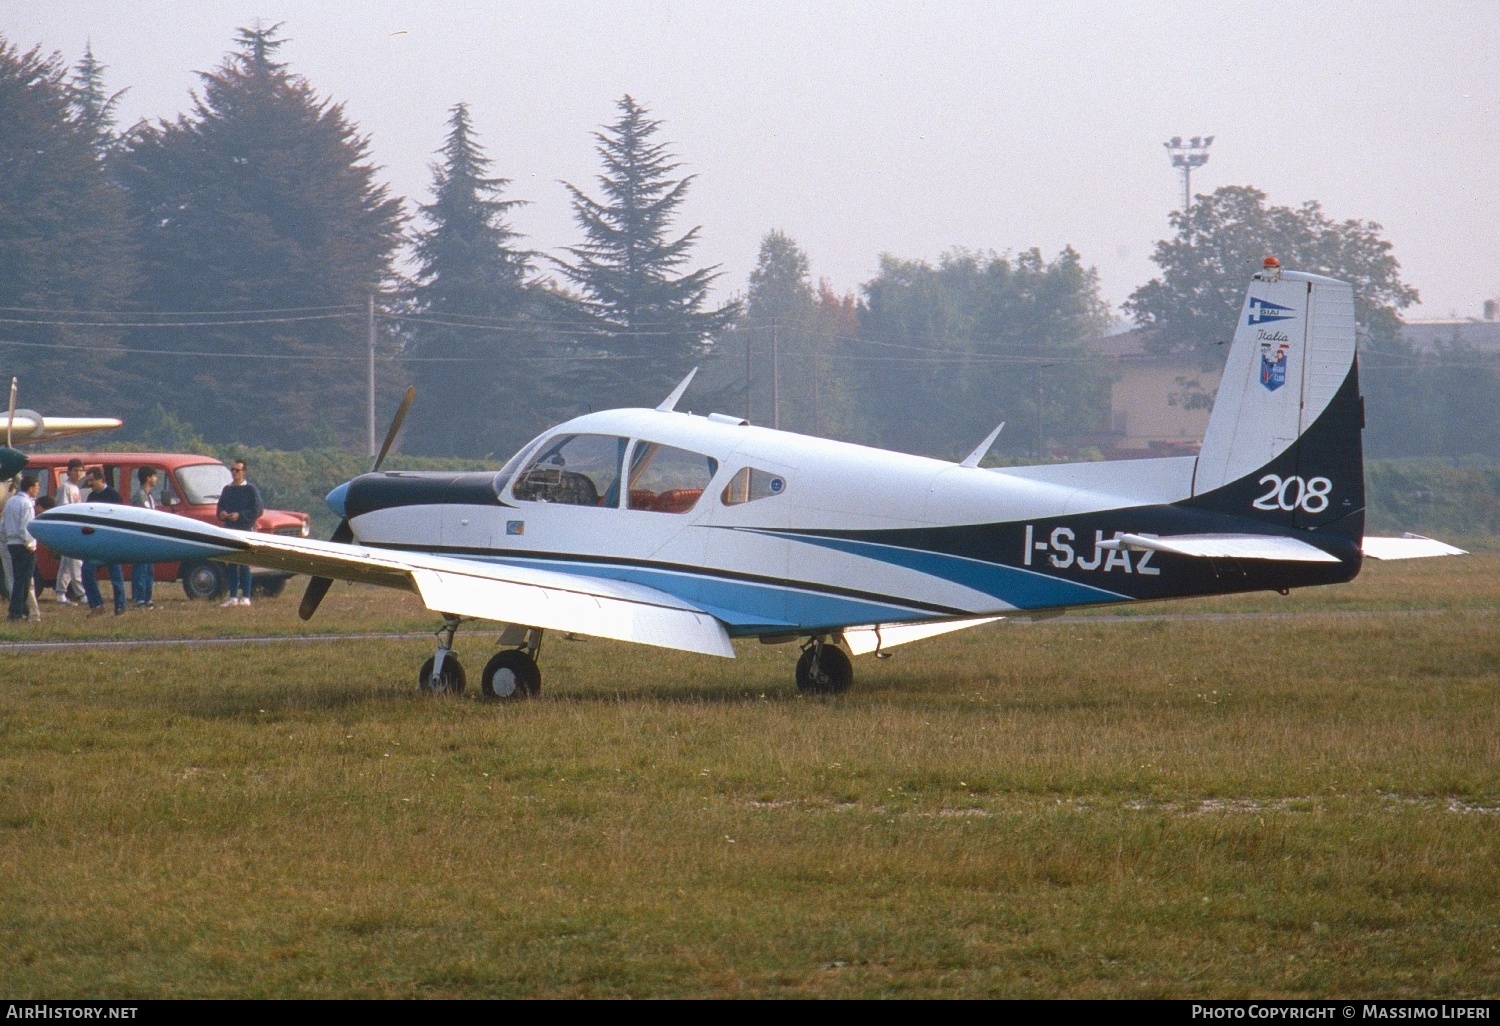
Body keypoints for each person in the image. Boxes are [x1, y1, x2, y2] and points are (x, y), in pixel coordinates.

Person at [216, 459, 263, 607]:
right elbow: (220, 507)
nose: (234, 473)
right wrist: (222, 514)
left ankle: (246, 596)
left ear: (244, 472)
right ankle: (233, 596)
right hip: (230, 530)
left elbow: (257, 509)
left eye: (238, 470)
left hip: (245, 530)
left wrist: (241, 515)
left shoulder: (250, 489)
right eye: (233, 470)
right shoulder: (227, 489)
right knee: (231, 564)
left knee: (244, 564)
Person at [80, 468, 126, 616]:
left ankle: (120, 606)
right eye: (88, 481)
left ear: (101, 480)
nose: (90, 483)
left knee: (116, 576)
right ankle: (96, 605)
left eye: (92, 480)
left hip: (111, 542)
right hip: (95, 543)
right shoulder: (91, 497)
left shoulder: (114, 496)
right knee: (86, 571)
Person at [2, 475, 41, 622]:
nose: (38, 490)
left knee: (18, 579)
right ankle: (16, 612)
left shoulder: (11, 501)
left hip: (11, 543)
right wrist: (30, 545)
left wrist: (5, 538)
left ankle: (20, 610)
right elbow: (26, 527)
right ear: (30, 488)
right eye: (36, 487)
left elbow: (4, 524)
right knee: (23, 580)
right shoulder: (27, 504)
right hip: (23, 545)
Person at [53, 458, 87, 603]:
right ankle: (81, 594)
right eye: (75, 470)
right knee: (75, 562)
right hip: (70, 529)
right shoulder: (65, 487)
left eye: (80, 470)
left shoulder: (76, 488)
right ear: (69, 471)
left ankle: (60, 593)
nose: (78, 473)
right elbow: (64, 509)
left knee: (67, 564)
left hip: (75, 527)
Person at [130, 466, 159, 609]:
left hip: (150, 538)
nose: (156, 479)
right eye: (154, 476)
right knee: (140, 569)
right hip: (141, 538)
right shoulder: (139, 496)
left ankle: (147, 597)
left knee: (149, 570)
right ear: (148, 478)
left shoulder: (150, 496)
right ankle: (139, 598)